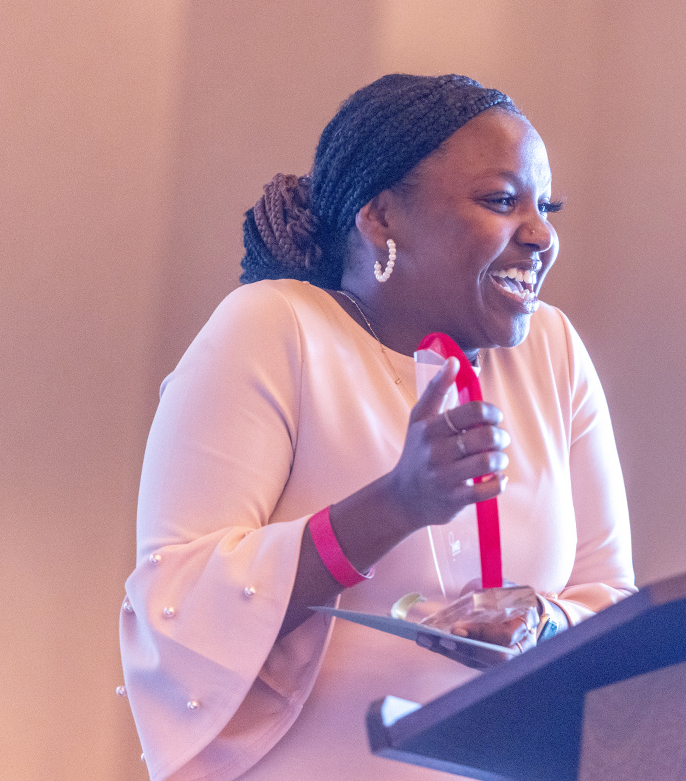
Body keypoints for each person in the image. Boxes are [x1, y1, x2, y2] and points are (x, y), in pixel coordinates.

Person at [119, 73, 635, 780]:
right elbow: (175, 606)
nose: (542, 235)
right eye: (500, 200)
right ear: (382, 218)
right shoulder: (275, 327)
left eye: (546, 206)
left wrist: (538, 621)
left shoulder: (554, 352)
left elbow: (609, 601)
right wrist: (395, 504)